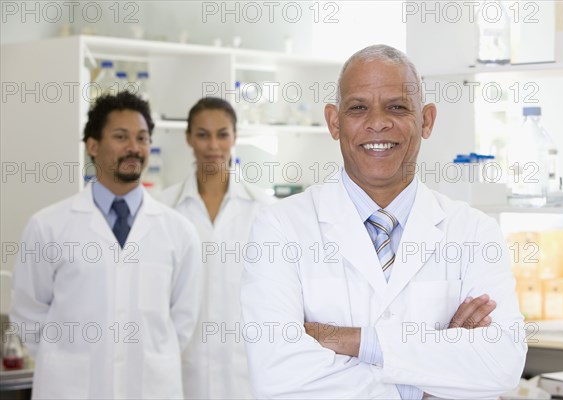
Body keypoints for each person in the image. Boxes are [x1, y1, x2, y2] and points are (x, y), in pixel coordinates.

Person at [240, 44, 527, 399]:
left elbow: (501, 365)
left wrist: (354, 340)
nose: (378, 122)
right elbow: (277, 374)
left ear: (427, 120)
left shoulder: (474, 232)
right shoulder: (280, 228)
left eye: (397, 107)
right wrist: (426, 384)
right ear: (334, 121)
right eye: (359, 108)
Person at [10, 92, 202, 399]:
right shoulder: (48, 226)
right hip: (71, 388)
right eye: (121, 136)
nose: (134, 148)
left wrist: (147, 354)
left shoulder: (179, 231)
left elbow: (183, 320)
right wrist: (65, 360)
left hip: (150, 387)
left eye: (142, 138)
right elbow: (28, 312)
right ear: (93, 145)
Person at [160, 97, 275, 399]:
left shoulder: (264, 210)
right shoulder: (162, 210)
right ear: (188, 139)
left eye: (222, 134)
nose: (213, 145)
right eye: (202, 134)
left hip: (245, 374)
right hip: (181, 369)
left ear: (235, 138)